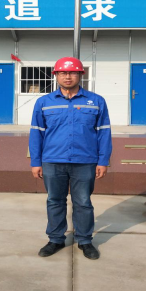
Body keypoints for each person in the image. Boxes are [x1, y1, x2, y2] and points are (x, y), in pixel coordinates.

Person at [29, 57, 112, 260]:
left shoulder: (96, 101)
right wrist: (36, 162)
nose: (68, 76)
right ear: (56, 75)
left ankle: (85, 240)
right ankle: (56, 239)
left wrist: (103, 161)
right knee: (55, 201)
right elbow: (36, 133)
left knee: (83, 202)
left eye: (73, 72)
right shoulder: (44, 102)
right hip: (52, 160)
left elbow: (104, 133)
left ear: (81, 75)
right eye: (63, 73)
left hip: (85, 161)